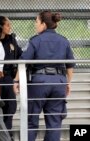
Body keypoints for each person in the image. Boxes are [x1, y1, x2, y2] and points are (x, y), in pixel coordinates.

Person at [13, 11, 75, 141]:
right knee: (54, 122)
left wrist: (16, 81)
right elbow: (70, 66)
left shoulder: (35, 40)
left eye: (36, 21)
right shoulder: (64, 41)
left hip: (39, 82)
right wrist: (68, 83)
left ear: (43, 24)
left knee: (30, 120)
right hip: (59, 82)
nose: (35, 24)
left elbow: (23, 62)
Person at [0, 16, 23, 140]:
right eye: (8, 25)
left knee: (10, 107)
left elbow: (21, 55)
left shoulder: (11, 39)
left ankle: (7, 136)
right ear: (1, 27)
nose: (10, 27)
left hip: (8, 78)